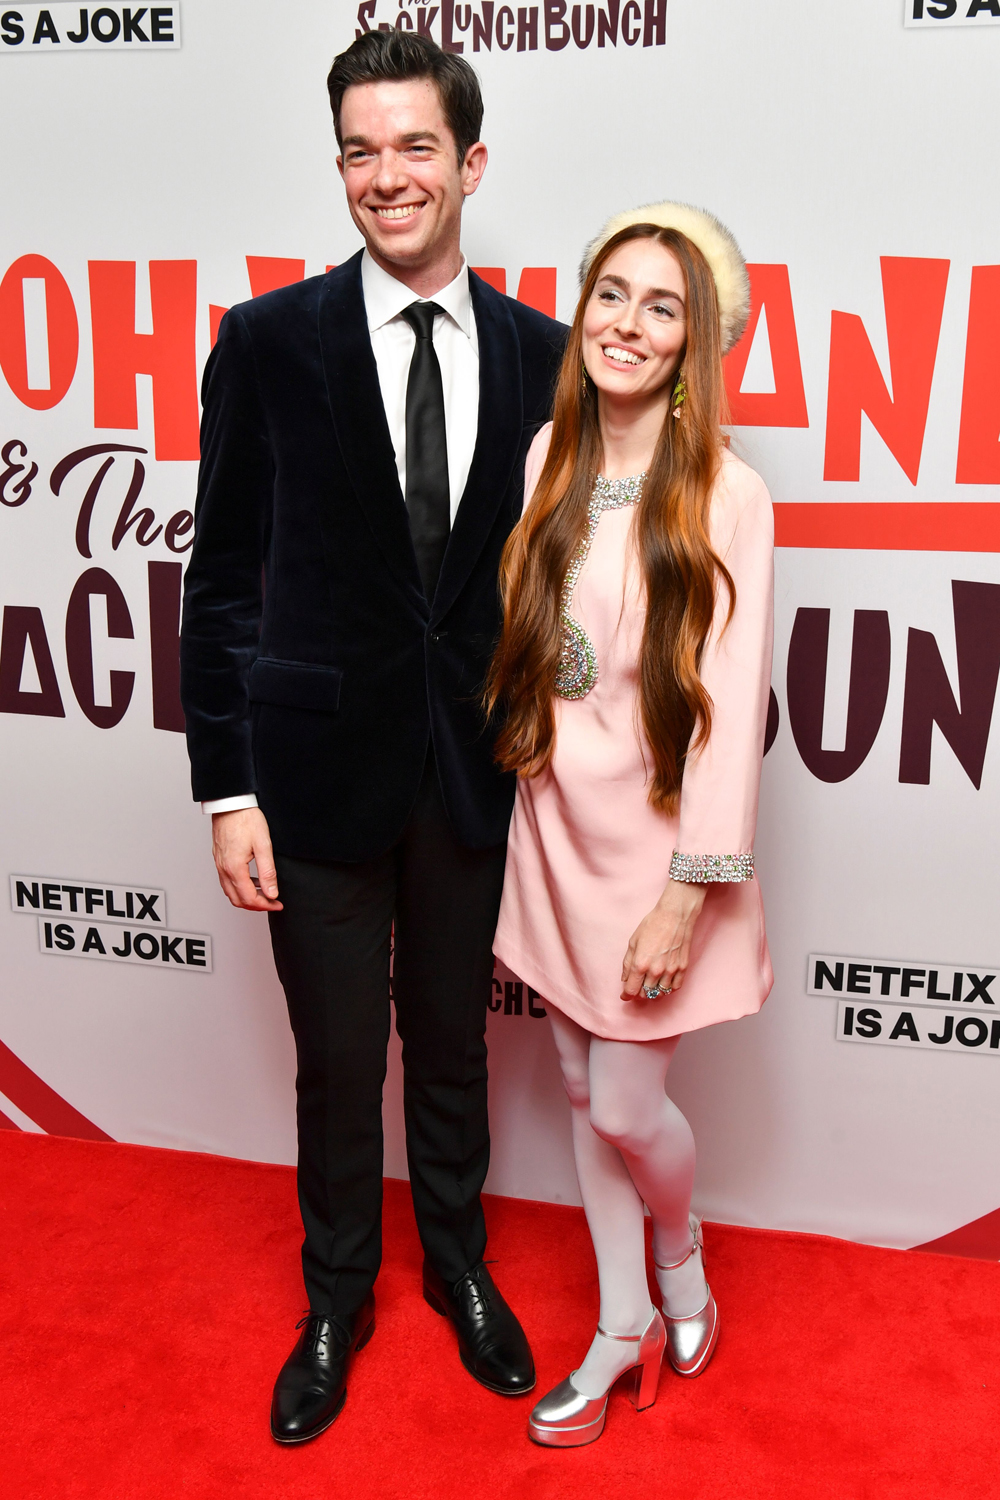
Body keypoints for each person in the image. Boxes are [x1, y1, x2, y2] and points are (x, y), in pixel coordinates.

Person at [180, 31, 565, 1445]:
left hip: (470, 772)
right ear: (337, 164)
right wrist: (227, 786)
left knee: (452, 1046)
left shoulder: (546, 356)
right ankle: (337, 1297)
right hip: (312, 772)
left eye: (415, 148)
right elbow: (220, 584)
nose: (385, 177)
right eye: (360, 149)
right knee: (340, 1056)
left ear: (471, 162)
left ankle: (459, 1268)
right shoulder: (268, 342)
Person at [487, 202, 774, 1447]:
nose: (628, 322)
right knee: (572, 1086)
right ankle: (619, 1326)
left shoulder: (727, 492)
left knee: (620, 1108)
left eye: (664, 307)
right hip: (553, 838)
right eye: (613, 292)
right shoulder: (547, 451)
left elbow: (724, 707)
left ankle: (680, 1256)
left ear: (694, 343)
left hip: (657, 863)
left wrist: (686, 895)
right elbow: (541, 650)